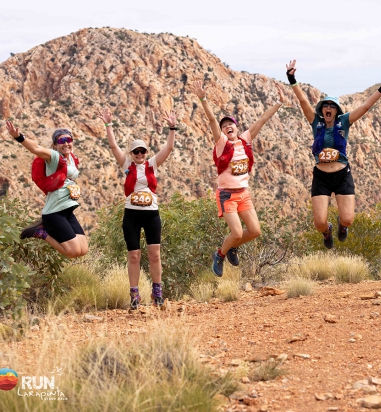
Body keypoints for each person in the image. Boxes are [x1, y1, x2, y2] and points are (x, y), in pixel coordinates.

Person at [285, 60, 381, 248]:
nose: (328, 108)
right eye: (325, 106)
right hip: (321, 176)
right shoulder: (316, 122)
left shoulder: (344, 122)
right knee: (319, 223)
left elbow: (365, 106)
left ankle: (341, 226)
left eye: (332, 106)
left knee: (348, 220)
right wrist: (292, 79)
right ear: (322, 109)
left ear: (337, 110)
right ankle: (327, 231)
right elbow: (303, 101)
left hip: (342, 174)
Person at [192, 79, 287, 277]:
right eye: (224, 126)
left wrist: (278, 103)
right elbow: (211, 121)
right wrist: (203, 100)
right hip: (227, 195)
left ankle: (233, 247)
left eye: (230, 124)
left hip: (244, 194)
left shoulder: (245, 140)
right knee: (236, 233)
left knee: (254, 231)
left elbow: (262, 120)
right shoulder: (221, 144)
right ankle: (219, 254)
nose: (227, 127)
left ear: (236, 127)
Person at [97, 108, 177, 309]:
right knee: (134, 255)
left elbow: (168, 148)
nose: (140, 154)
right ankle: (134, 295)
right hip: (131, 214)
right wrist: (108, 124)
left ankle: (157, 292)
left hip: (151, 214)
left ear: (146, 153)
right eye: (136, 151)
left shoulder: (152, 165)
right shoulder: (126, 165)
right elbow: (113, 145)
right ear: (131, 154)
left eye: (142, 151)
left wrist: (172, 127)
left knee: (154, 254)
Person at [6, 122, 88, 258]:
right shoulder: (54, 157)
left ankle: (44, 229)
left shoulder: (71, 158)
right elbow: (36, 148)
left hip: (67, 211)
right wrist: (18, 137)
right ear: (55, 144)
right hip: (54, 212)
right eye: (62, 140)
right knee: (72, 252)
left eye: (69, 140)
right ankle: (41, 232)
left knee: (83, 250)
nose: (66, 143)